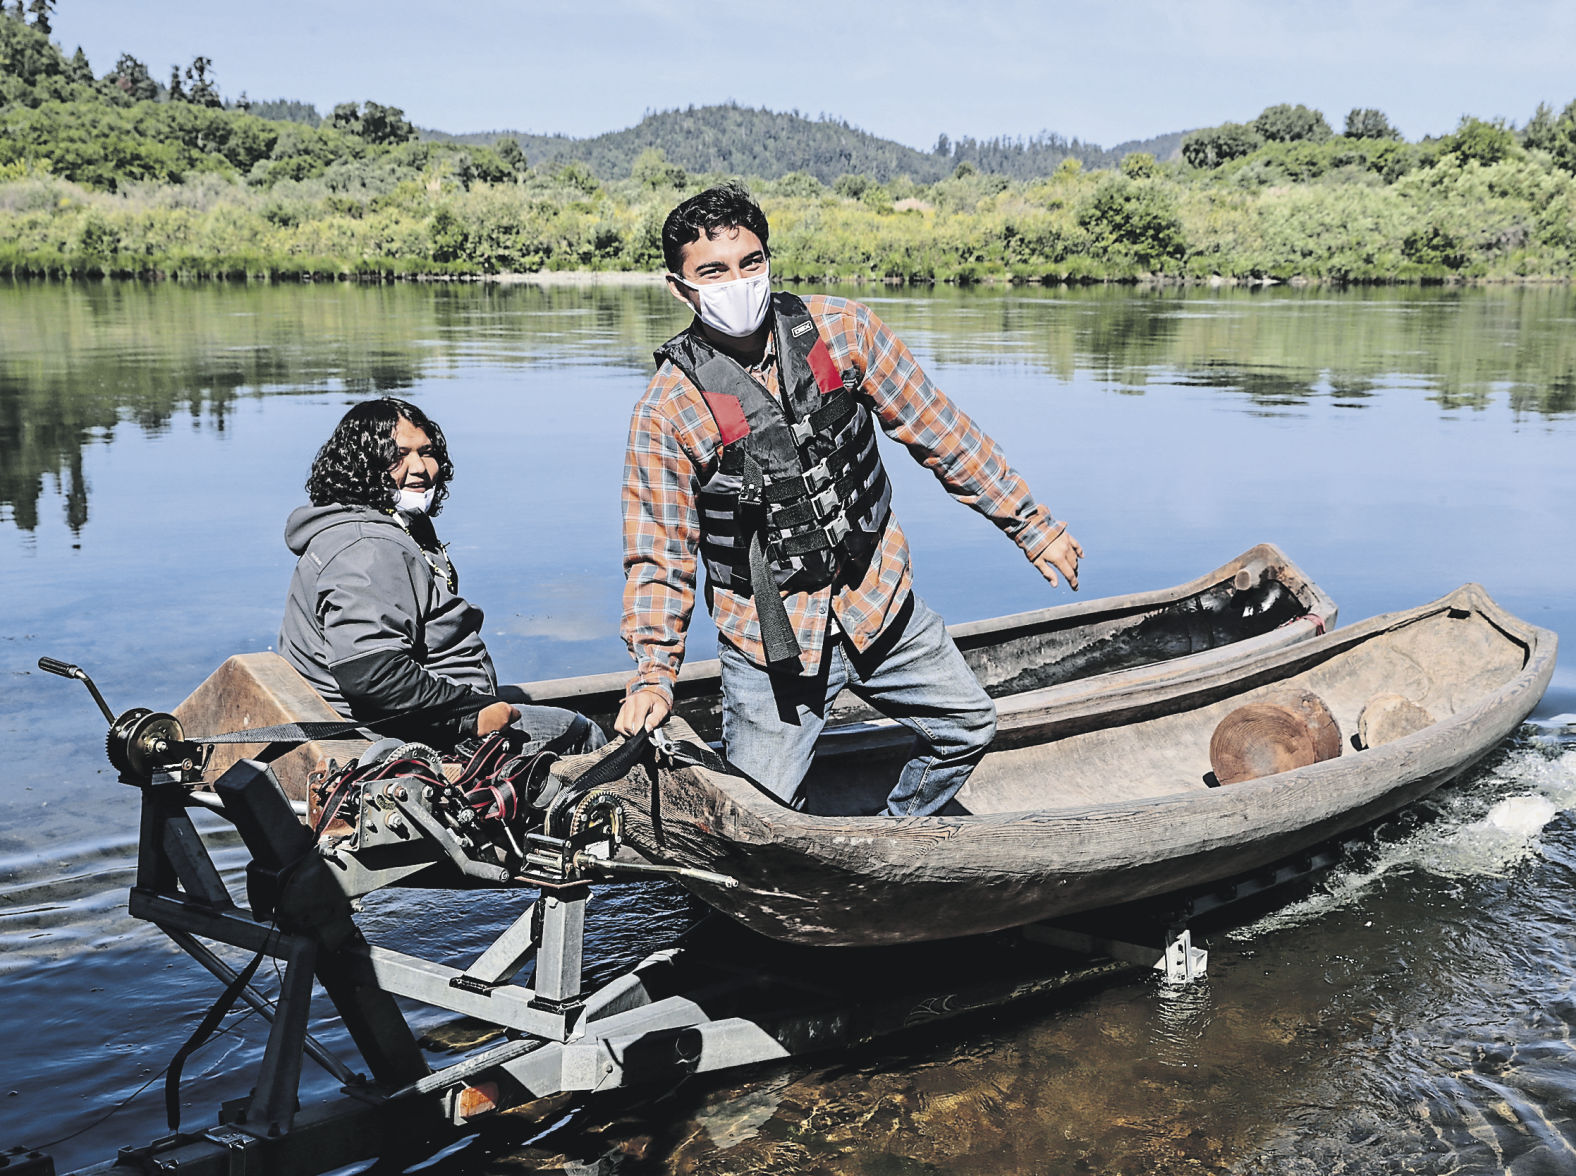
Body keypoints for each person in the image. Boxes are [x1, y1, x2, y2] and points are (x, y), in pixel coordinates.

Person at [616, 184, 1082, 816]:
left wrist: (1032, 525)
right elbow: (658, 553)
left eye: (751, 263)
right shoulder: (668, 409)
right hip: (772, 643)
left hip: (877, 600)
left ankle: (894, 839)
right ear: (680, 287)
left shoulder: (843, 331)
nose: (738, 282)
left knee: (968, 727)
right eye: (713, 272)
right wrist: (653, 673)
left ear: (769, 261)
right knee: (758, 816)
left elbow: (940, 431)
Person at [278, 397, 605, 756]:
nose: (419, 467)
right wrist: (468, 715)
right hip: (407, 739)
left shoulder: (390, 526)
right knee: (583, 735)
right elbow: (371, 672)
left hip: (423, 718)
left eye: (427, 452)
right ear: (361, 465)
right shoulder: (367, 548)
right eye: (398, 455)